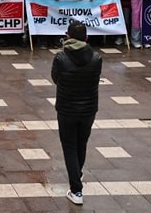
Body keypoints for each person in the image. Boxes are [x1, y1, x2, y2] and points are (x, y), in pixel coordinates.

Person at [51, 21, 103, 207]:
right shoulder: (97, 58)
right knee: (81, 144)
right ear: (87, 38)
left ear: (68, 37)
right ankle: (77, 174)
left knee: (69, 147)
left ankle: (76, 189)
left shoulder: (61, 58)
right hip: (89, 109)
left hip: (67, 109)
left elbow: (56, 78)